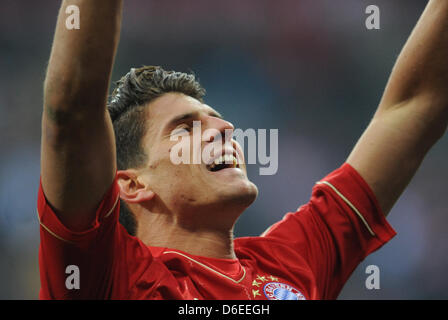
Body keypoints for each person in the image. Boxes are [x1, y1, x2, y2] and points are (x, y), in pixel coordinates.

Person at [38, 0, 448, 300]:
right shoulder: (108, 276)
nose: (225, 128)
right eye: (185, 128)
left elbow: (416, 106)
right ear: (131, 184)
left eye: (217, 119)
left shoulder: (292, 260)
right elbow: (70, 112)